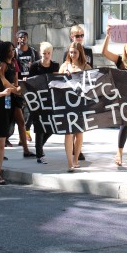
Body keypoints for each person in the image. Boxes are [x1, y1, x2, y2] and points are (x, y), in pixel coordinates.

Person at [102, 26, 127, 167]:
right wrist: (108, 36)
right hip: (122, 98)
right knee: (124, 125)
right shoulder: (120, 61)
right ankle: (119, 154)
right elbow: (104, 52)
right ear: (124, 48)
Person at [0, 41, 35, 157]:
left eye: (13, 49)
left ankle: (26, 150)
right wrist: (14, 89)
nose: (13, 52)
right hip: (6, 96)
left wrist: (18, 89)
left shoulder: (14, 62)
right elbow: (2, 79)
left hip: (14, 96)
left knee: (21, 122)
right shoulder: (2, 64)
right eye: (10, 50)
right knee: (4, 124)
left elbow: (16, 77)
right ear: (5, 52)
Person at [59, 42, 92, 172]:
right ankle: (69, 162)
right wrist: (63, 76)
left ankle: (76, 159)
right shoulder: (64, 66)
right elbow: (55, 82)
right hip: (67, 103)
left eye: (75, 52)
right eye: (71, 52)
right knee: (68, 133)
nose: (72, 55)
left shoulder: (86, 66)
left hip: (81, 103)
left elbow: (91, 84)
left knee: (79, 133)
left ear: (80, 53)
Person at [28, 42, 59, 164]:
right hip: (37, 99)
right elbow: (30, 82)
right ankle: (39, 154)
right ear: (40, 53)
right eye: (44, 53)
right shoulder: (35, 66)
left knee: (52, 127)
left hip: (50, 99)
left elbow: (58, 80)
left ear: (51, 53)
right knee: (39, 127)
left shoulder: (55, 65)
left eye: (48, 53)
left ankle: (39, 147)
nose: (46, 56)